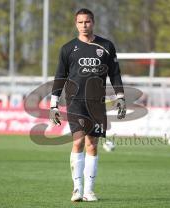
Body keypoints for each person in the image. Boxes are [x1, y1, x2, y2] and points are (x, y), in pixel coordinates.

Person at [49, 8, 126, 202]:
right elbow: (60, 76)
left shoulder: (106, 46)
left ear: (93, 22)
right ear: (76, 24)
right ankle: (77, 189)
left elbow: (114, 74)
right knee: (77, 142)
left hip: (97, 103)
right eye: (81, 22)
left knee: (92, 145)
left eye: (88, 22)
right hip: (75, 102)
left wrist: (120, 96)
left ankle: (89, 191)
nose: (84, 25)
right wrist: (54, 104)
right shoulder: (68, 49)